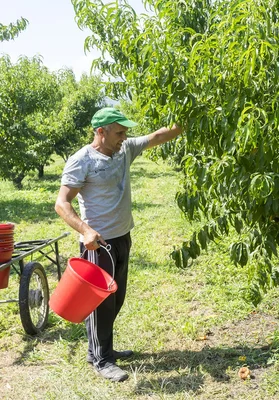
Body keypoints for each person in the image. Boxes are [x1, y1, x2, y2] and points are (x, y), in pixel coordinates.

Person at [55, 107, 183, 381]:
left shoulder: (123, 149)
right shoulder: (82, 160)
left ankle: (102, 349)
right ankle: (101, 359)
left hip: (122, 236)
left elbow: (159, 136)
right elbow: (61, 203)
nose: (125, 137)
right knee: (100, 304)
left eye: (125, 132)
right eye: (119, 132)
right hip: (97, 244)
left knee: (116, 299)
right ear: (100, 132)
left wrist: (191, 117)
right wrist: (86, 230)